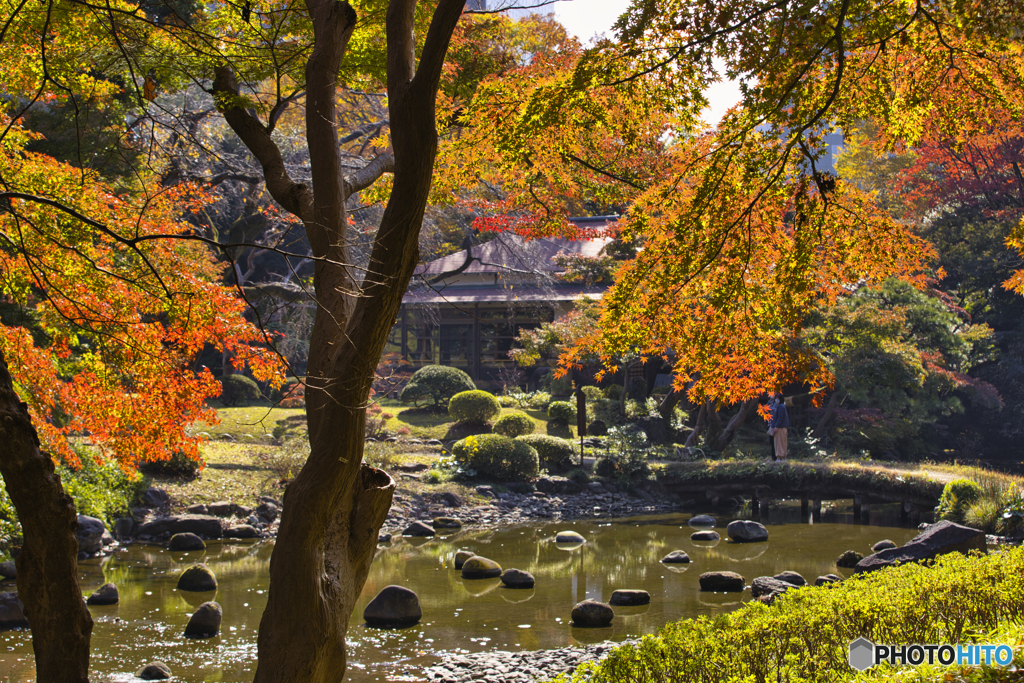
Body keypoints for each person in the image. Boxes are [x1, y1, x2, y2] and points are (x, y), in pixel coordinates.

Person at [767, 393, 790, 460]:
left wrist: (776, 426)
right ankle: (783, 457)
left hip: (780, 427)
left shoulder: (780, 406)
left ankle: (779, 457)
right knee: (782, 443)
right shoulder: (781, 406)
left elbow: (780, 418)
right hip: (781, 426)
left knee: (779, 443)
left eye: (777, 398)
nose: (776, 400)